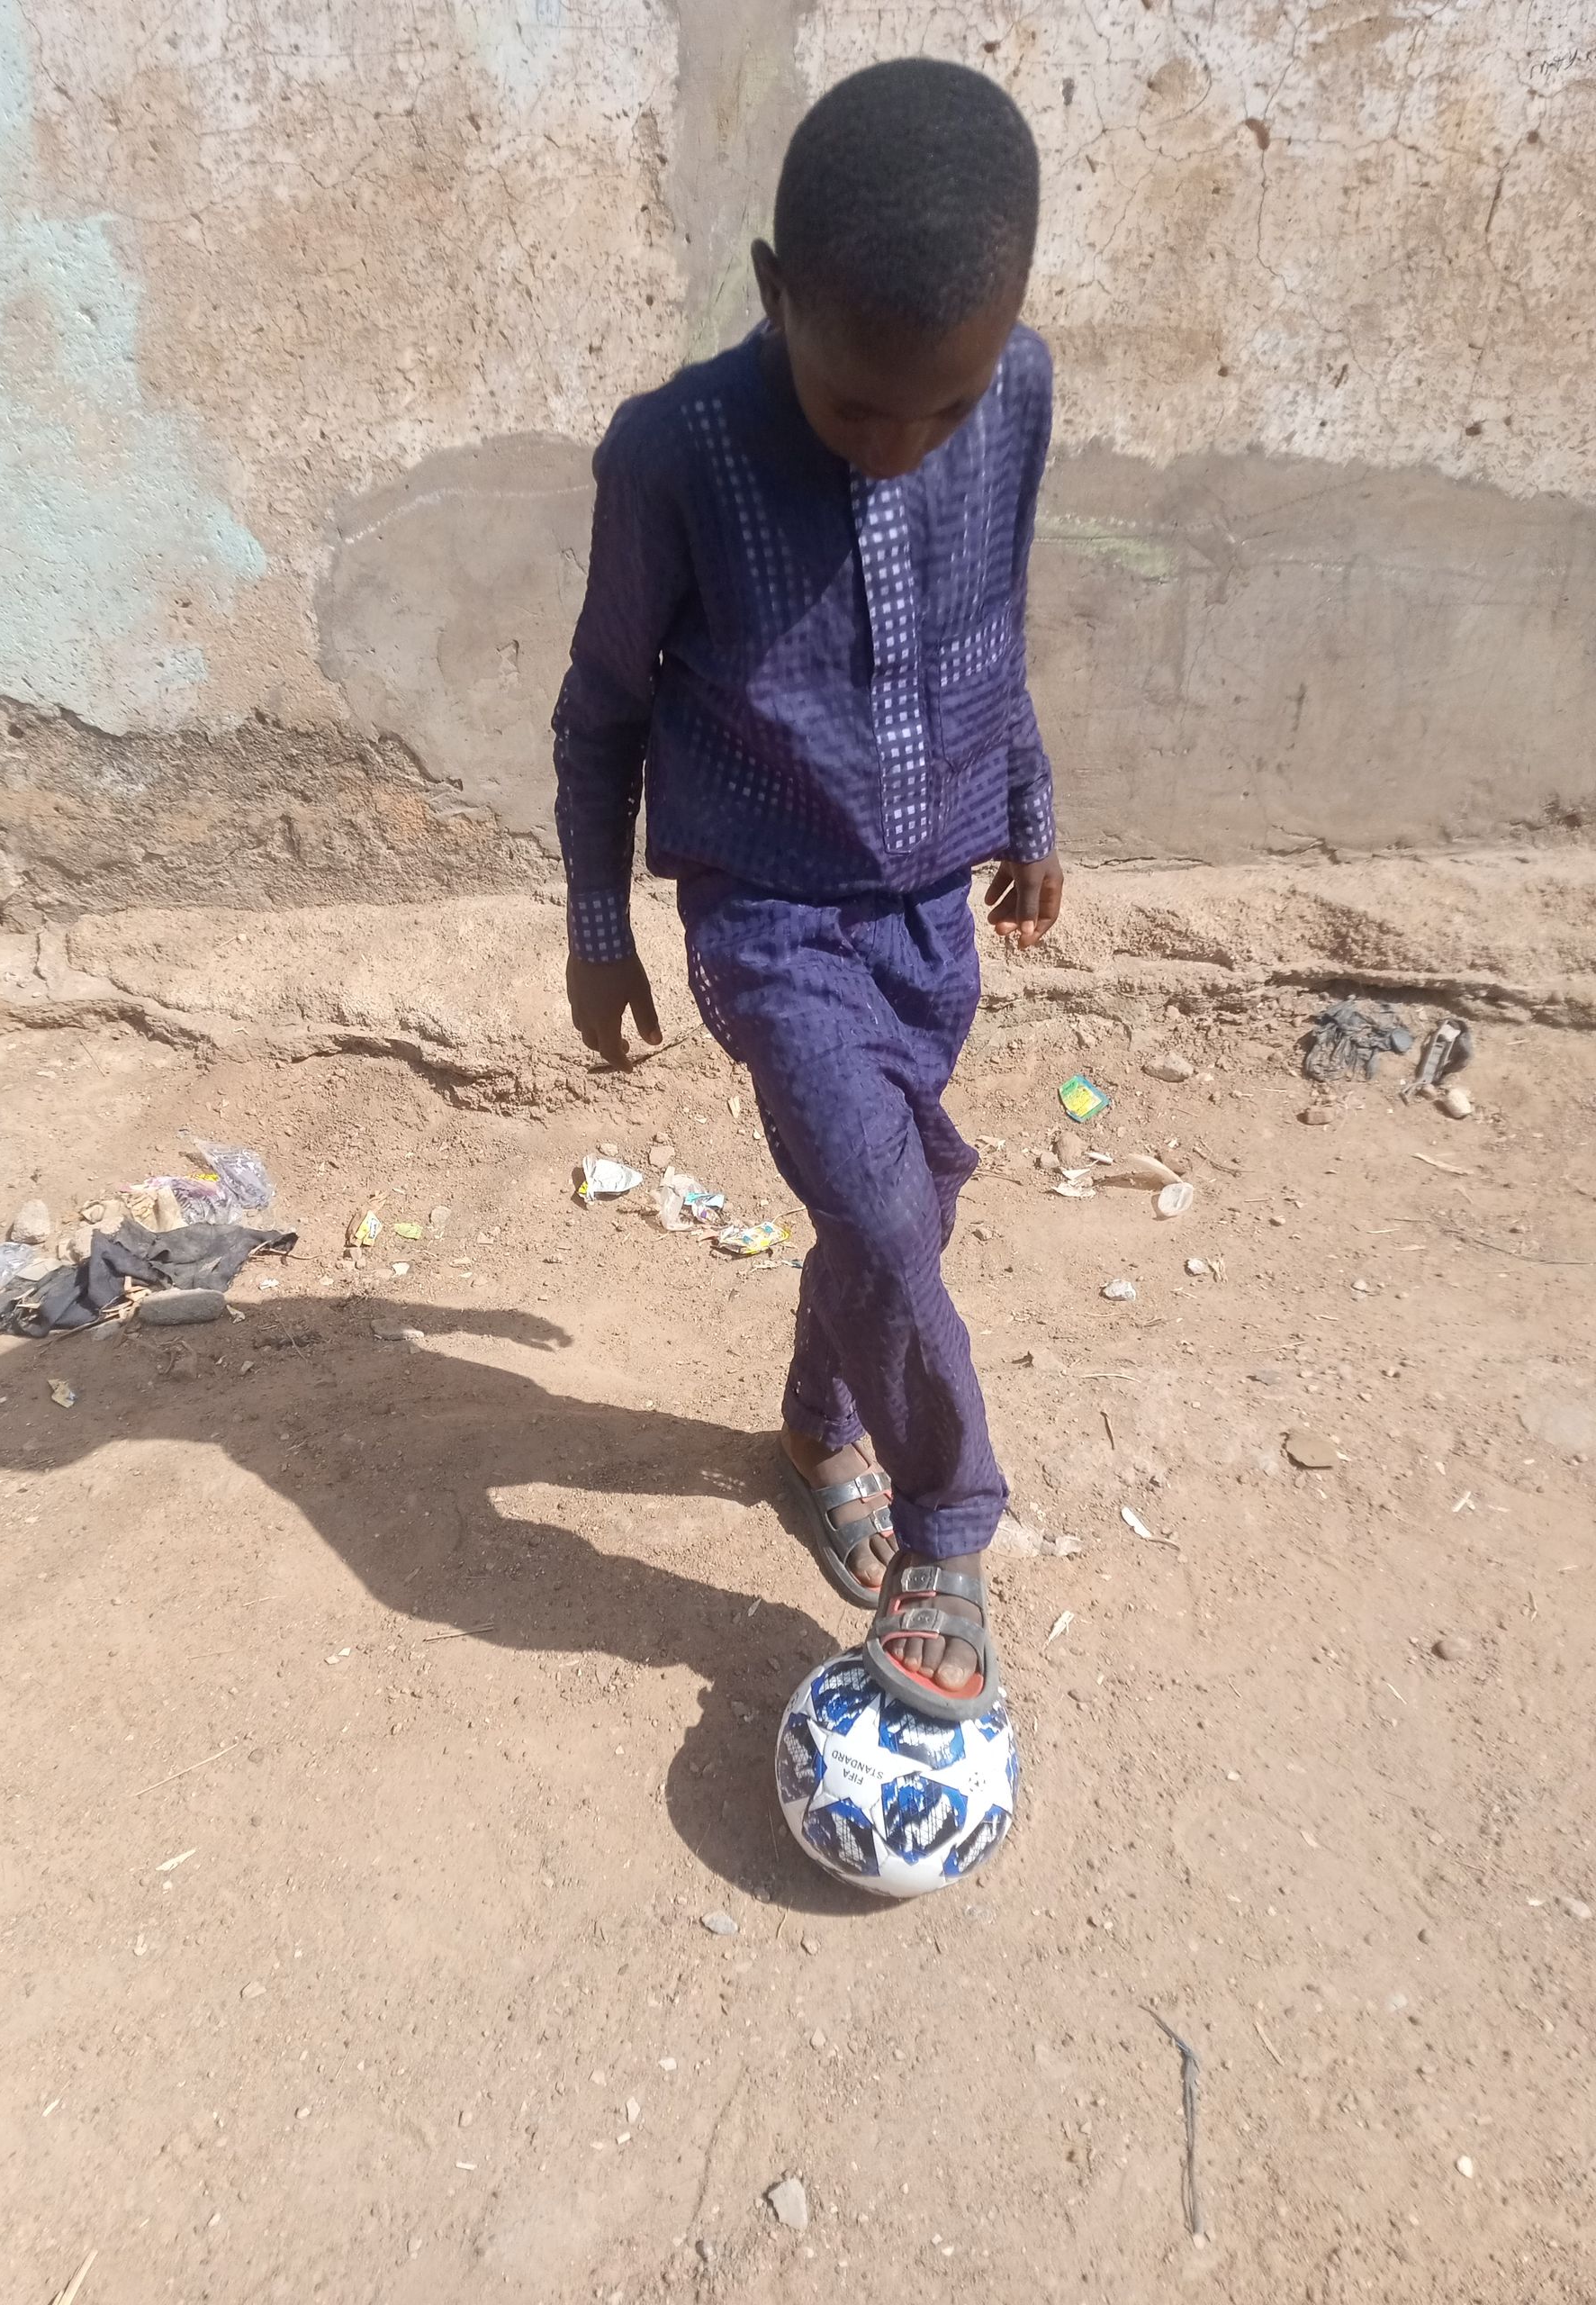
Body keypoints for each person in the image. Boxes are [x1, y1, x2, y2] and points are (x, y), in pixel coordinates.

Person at [552, 58, 1063, 1722]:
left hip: (932, 908)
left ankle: (816, 1424)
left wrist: (1030, 800)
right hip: (766, 913)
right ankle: (948, 1525)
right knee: (883, 1204)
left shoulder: (1020, 392)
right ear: (775, 293)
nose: (903, 448)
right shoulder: (677, 452)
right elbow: (601, 708)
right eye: (858, 411)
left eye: (944, 410)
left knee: (890, 1205)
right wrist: (597, 927)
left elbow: (994, 621)